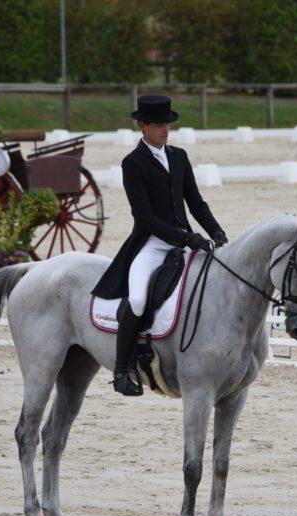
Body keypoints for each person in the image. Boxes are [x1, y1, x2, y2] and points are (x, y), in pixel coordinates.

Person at [91, 94, 228, 396]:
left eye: (167, 124)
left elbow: (196, 203)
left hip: (185, 242)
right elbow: (144, 216)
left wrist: (216, 231)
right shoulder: (133, 163)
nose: (165, 130)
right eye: (158, 124)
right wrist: (184, 237)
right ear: (143, 126)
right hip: (152, 244)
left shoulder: (178, 156)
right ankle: (122, 370)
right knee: (138, 299)